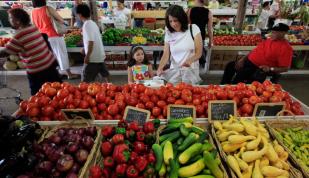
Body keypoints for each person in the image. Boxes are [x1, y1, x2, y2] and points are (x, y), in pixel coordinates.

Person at [0, 8, 62, 95]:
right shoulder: (32, 27)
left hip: (38, 69)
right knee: (58, 90)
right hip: (50, 63)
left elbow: (6, 52)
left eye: (10, 18)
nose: (9, 20)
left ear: (17, 21)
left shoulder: (19, 35)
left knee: (37, 94)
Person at [221, 23, 292, 84]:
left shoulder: (286, 48)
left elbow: (285, 68)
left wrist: (270, 69)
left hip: (258, 68)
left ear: (283, 33)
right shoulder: (269, 40)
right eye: (272, 31)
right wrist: (242, 59)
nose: (271, 34)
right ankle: (223, 85)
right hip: (248, 62)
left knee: (240, 75)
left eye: (274, 32)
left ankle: (233, 89)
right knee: (230, 66)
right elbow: (254, 51)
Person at [31, 0, 78, 80]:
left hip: (43, 37)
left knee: (52, 56)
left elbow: (34, 26)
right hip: (54, 35)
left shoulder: (32, 12)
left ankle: (57, 74)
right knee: (61, 54)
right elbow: (60, 20)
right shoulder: (48, 8)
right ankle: (69, 74)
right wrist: (64, 23)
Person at [157, 5, 203, 85]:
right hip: (174, 71)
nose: (173, 24)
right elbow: (166, 53)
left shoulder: (193, 28)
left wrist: (190, 60)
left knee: (188, 93)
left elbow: (199, 52)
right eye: (170, 21)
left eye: (175, 20)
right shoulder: (168, 32)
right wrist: (160, 68)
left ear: (182, 19)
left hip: (190, 70)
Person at [76, 4, 109, 83]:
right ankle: (110, 88)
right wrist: (85, 48)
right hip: (99, 55)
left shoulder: (86, 25)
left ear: (80, 15)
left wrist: (87, 56)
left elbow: (91, 42)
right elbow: (93, 39)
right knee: (105, 76)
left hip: (93, 58)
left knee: (85, 79)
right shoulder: (93, 23)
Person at [188, 0, 213, 68]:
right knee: (198, 53)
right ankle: (197, 68)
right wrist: (211, 41)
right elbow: (209, 29)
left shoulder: (190, 10)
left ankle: (190, 67)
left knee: (190, 54)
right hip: (201, 36)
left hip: (191, 36)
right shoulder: (209, 12)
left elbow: (188, 25)